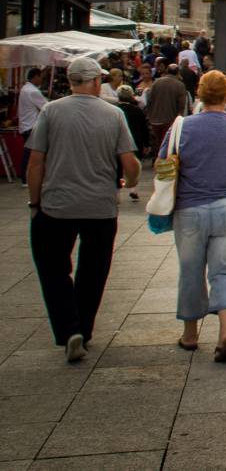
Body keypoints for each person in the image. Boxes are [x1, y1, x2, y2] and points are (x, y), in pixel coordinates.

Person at [26, 56, 140, 362]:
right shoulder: (114, 114)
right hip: (100, 207)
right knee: (94, 270)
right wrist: (130, 181)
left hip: (56, 205)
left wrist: (35, 202)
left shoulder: (51, 111)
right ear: (93, 81)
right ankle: (84, 328)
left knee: (53, 269)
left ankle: (68, 328)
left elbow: (36, 162)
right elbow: (130, 164)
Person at [158, 71, 226, 361]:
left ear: (199, 94)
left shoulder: (182, 127)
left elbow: (162, 162)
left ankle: (191, 333)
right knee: (224, 270)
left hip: (191, 207)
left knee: (191, 269)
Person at [146, 65, 189, 162]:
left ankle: (156, 159)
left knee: (157, 141)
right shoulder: (179, 85)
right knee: (167, 142)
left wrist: (150, 114)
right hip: (170, 119)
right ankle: (164, 161)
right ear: (178, 73)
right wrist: (180, 117)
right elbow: (182, 105)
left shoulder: (156, 82)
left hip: (155, 119)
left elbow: (149, 99)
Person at [115, 85, 150, 200]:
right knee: (135, 166)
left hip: (118, 142)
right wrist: (147, 143)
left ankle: (117, 193)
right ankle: (133, 189)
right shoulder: (137, 110)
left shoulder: (115, 110)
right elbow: (144, 128)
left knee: (118, 167)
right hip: (136, 141)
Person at [18, 67, 48, 185]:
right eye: (40, 77)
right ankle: (26, 179)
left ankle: (25, 178)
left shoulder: (26, 88)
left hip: (26, 125)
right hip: (30, 126)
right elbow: (46, 107)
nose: (41, 79)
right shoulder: (32, 91)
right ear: (35, 76)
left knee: (29, 153)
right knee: (32, 154)